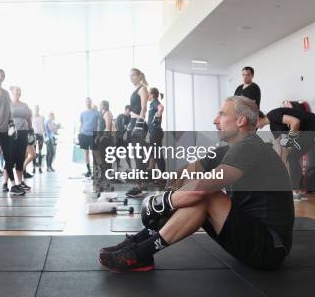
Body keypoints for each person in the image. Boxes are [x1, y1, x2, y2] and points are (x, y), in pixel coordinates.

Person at [99, 96, 294, 272]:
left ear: (241, 121)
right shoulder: (227, 150)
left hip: (270, 249)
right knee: (193, 191)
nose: (214, 120)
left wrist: (162, 202)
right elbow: (182, 174)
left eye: (222, 114)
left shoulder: (250, 147)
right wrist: (169, 197)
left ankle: (141, 253)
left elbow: (201, 189)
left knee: (205, 194)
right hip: (250, 236)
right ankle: (137, 245)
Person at [257, 101, 315, 200]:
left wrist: (290, 142)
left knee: (292, 157)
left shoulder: (273, 115)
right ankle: (299, 191)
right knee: (291, 157)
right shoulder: (273, 126)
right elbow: (279, 148)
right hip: (310, 132)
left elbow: (295, 122)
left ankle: (296, 191)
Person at [125, 68, 150, 197]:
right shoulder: (136, 89)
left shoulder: (142, 89)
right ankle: (141, 184)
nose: (131, 78)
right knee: (136, 155)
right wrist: (131, 125)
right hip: (134, 123)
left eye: (133, 75)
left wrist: (138, 126)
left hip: (139, 124)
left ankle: (140, 185)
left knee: (138, 155)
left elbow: (144, 108)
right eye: (130, 76)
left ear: (139, 76)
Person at [9, 86, 33, 191]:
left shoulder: (25, 105)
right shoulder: (8, 104)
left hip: (24, 132)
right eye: (16, 91)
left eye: (20, 91)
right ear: (12, 92)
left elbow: (28, 118)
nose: (18, 93)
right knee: (11, 158)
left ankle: (20, 182)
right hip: (12, 133)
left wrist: (31, 130)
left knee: (21, 157)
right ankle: (10, 184)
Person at [79, 98, 101, 177]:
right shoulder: (82, 113)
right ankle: (88, 170)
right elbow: (81, 124)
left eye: (89, 102)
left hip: (93, 135)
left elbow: (98, 125)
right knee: (86, 153)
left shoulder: (97, 113)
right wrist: (79, 134)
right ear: (85, 103)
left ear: (91, 102)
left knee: (94, 153)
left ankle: (97, 170)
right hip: (83, 135)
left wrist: (98, 135)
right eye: (87, 102)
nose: (88, 103)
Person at [147, 88, 165, 172]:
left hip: (156, 132)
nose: (147, 95)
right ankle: (150, 174)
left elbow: (161, 108)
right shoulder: (151, 104)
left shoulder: (155, 102)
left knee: (157, 154)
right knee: (153, 154)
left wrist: (156, 120)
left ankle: (164, 177)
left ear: (152, 95)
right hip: (153, 133)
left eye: (148, 94)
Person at [32, 105, 46, 173]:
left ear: (39, 109)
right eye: (36, 109)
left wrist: (44, 136)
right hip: (34, 135)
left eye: (38, 108)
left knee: (40, 152)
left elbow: (43, 127)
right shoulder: (32, 117)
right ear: (34, 109)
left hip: (40, 135)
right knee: (34, 153)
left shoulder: (42, 117)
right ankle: (34, 167)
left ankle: (40, 167)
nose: (37, 110)